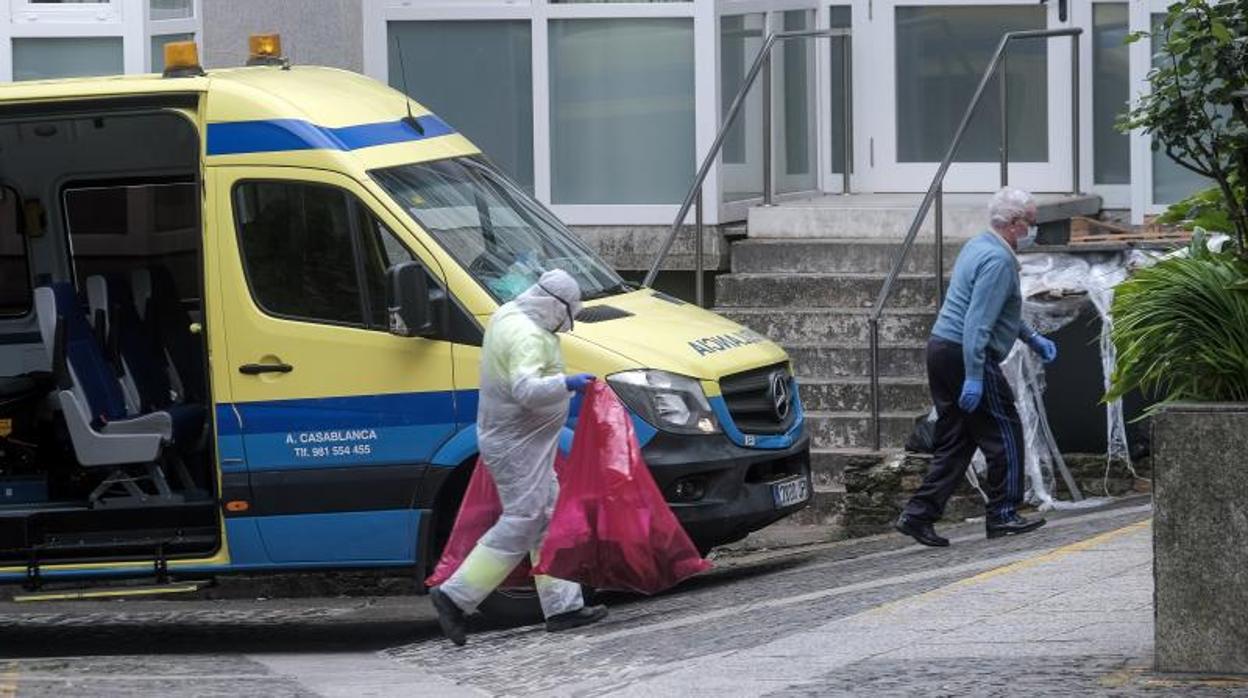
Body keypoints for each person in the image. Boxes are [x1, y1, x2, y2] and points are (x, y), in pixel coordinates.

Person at [431, 269, 607, 646]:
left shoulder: (509, 313)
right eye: (568, 315)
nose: (567, 325)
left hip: (517, 439)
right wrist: (567, 384)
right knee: (524, 520)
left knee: (546, 515)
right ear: (553, 305)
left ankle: (563, 608)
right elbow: (527, 390)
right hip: (517, 443)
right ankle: (454, 596)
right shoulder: (527, 335)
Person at [895, 187, 1058, 548]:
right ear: (1015, 224)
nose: (1034, 230)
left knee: (957, 440)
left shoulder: (978, 245)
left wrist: (1031, 338)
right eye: (1031, 223)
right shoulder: (999, 261)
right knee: (1005, 433)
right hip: (968, 354)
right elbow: (978, 323)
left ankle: (918, 514)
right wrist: (973, 376)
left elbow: (997, 310)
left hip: (942, 348)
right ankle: (1003, 514)